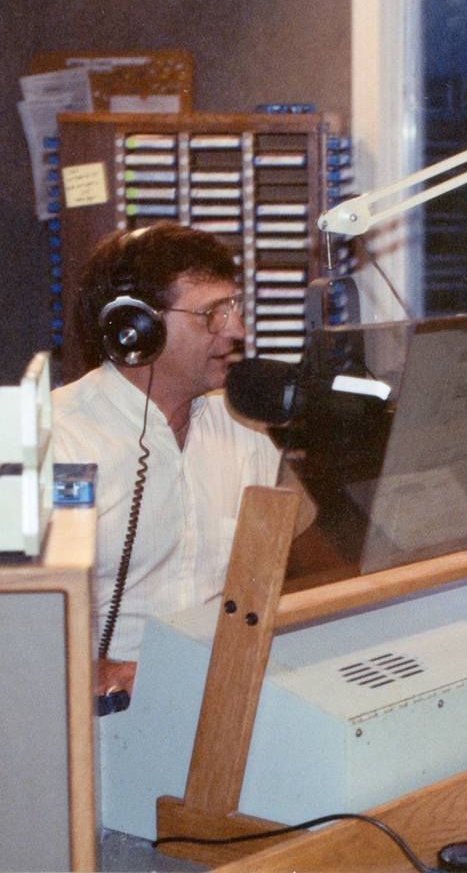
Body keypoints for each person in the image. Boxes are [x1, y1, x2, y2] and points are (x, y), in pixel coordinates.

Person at [52, 223, 281, 701]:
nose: (236, 330)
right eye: (211, 314)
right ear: (135, 327)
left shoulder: (246, 429)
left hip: (224, 700)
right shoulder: (54, 440)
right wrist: (88, 668)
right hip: (100, 717)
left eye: (233, 307)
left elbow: (284, 559)